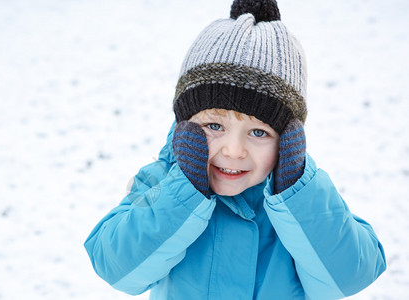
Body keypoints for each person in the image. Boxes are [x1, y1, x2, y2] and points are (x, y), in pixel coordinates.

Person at [84, 0, 386, 299]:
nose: (233, 150)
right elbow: (117, 267)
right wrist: (184, 190)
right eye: (214, 126)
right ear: (185, 125)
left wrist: (296, 190)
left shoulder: (297, 198)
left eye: (259, 132)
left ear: (287, 140)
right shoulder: (164, 180)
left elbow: (351, 276)